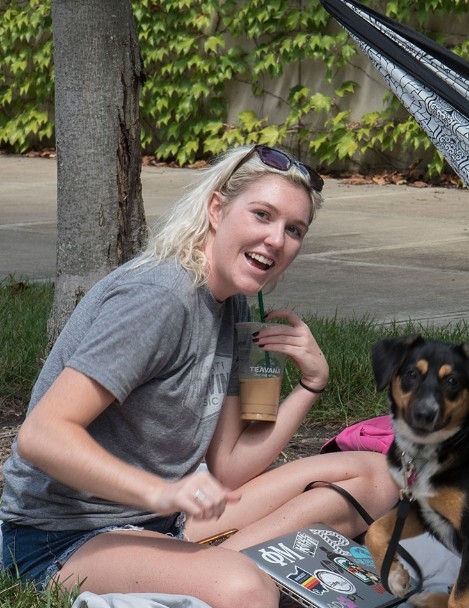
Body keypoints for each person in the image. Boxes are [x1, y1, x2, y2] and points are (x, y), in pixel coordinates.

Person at [0, 145, 399, 607]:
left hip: (167, 520)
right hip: (60, 537)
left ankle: (199, 566)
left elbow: (229, 467)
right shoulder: (159, 298)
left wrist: (311, 386)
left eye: (294, 229)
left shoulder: (235, 304)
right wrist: (165, 491)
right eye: (262, 215)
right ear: (216, 209)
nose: (276, 240)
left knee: (375, 475)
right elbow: (42, 435)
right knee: (244, 589)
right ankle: (217, 571)